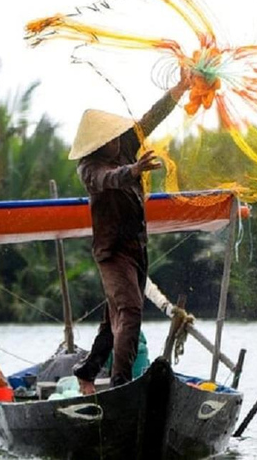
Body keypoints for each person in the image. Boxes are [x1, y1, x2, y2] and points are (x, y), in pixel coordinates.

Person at [70, 66, 194, 394]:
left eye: (117, 136)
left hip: (136, 248)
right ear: (98, 145)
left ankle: (88, 369)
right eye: (109, 138)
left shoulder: (125, 145)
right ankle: (121, 385)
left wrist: (179, 89)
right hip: (112, 253)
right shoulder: (90, 168)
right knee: (130, 310)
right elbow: (111, 179)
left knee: (115, 317)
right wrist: (133, 170)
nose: (118, 139)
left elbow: (151, 118)